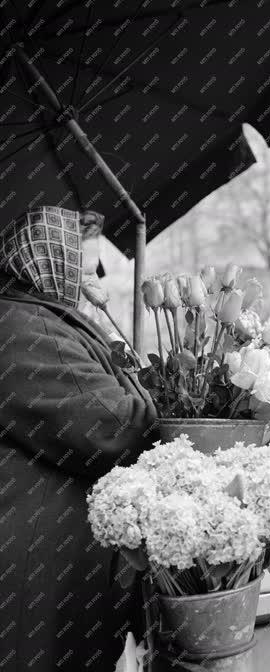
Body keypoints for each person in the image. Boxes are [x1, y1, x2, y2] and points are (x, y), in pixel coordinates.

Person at [0, 206, 158, 672]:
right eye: (85, 271)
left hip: (49, 564)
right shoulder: (23, 328)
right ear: (49, 264)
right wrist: (166, 400)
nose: (97, 285)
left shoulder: (41, 318)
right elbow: (112, 430)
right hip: (32, 569)